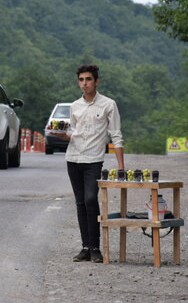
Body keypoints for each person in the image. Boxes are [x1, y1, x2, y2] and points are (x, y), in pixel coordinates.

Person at [53, 64, 125, 263]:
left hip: (94, 160)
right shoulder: (75, 106)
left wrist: (121, 167)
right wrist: (62, 136)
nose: (84, 84)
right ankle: (85, 247)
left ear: (96, 81)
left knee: (91, 200)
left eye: (88, 79)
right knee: (80, 203)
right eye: (81, 80)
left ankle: (95, 247)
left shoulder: (108, 104)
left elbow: (116, 136)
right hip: (73, 159)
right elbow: (74, 133)